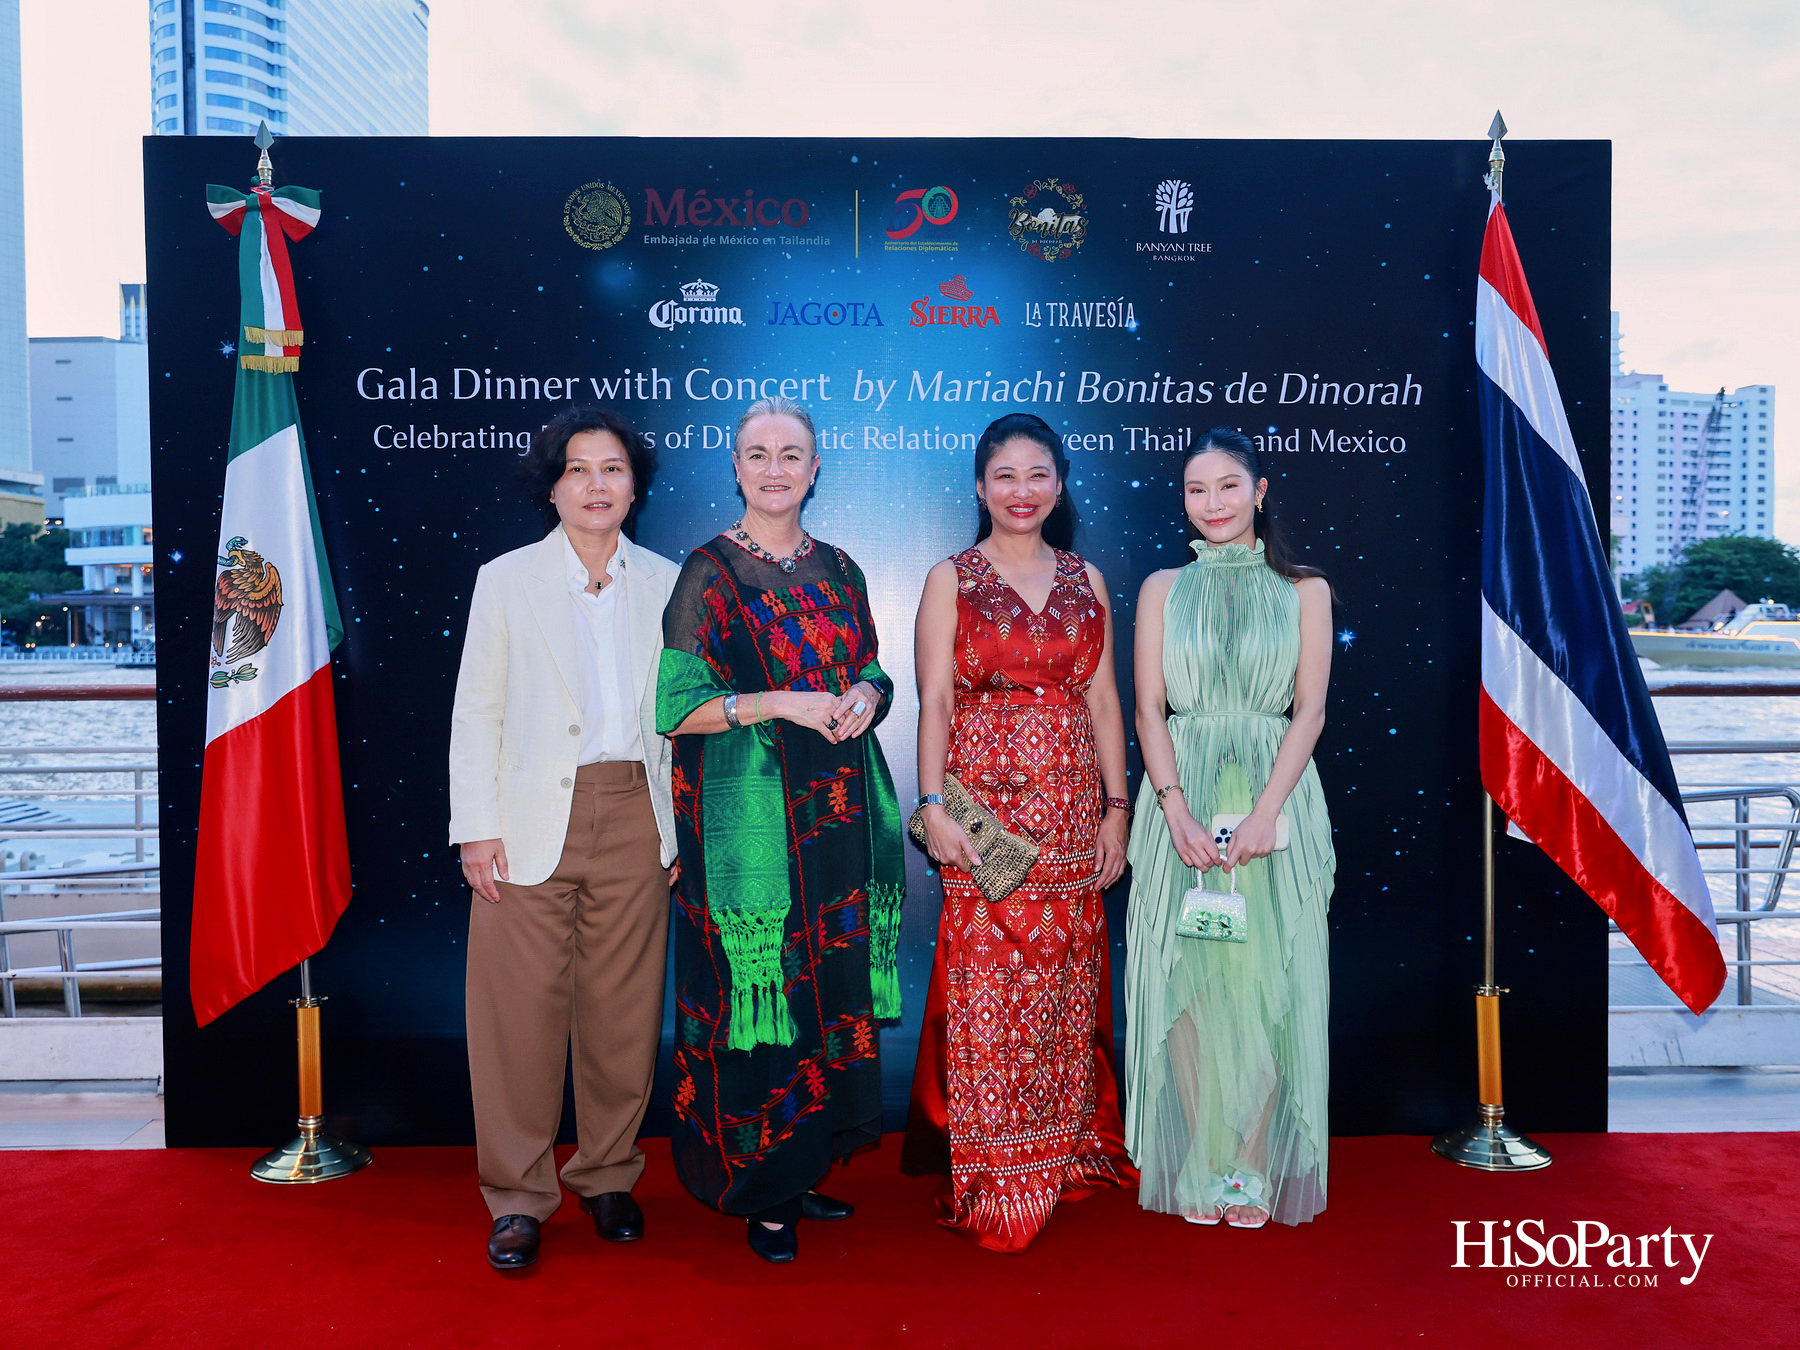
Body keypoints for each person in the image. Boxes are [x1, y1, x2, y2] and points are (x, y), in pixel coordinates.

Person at [656, 396, 905, 1264]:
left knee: (825, 995)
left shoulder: (841, 568)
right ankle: (761, 1191)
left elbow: (872, 668)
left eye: (791, 454)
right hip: (749, 835)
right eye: (757, 454)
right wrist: (781, 703)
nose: (774, 469)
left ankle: (804, 1168)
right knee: (759, 1008)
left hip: (835, 822)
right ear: (735, 467)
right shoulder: (708, 574)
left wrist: (867, 693)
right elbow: (675, 707)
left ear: (815, 467)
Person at [448, 406, 680, 1270]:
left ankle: (609, 1174)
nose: (595, 484)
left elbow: (682, 717)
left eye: (612, 468)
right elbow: (477, 710)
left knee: (624, 1012)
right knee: (517, 1018)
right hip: (526, 822)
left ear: (634, 486)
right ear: (552, 487)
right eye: (577, 469)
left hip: (636, 812)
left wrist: (676, 829)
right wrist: (475, 829)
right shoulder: (506, 579)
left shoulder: (669, 582)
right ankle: (517, 1196)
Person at [902, 411, 1138, 1253]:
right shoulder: (951, 578)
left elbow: (1103, 700)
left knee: (1064, 986)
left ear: (1060, 484)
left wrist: (1118, 809)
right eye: (1005, 475)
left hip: (1074, 811)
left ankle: (1064, 1148)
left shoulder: (1086, 578)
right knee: (989, 991)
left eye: (1038, 474)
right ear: (980, 486)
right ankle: (995, 1171)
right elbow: (935, 699)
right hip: (983, 816)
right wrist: (933, 805)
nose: (1022, 490)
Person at [1124, 427, 1336, 1229]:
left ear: (1259, 490)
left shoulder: (1306, 590)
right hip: (1180, 801)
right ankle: (1202, 1159)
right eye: (1196, 489)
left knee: (1269, 982)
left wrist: (1267, 811)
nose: (1212, 503)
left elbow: (1309, 710)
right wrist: (1173, 806)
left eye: (1227, 486)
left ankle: (1248, 1162)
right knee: (1186, 980)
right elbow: (1148, 709)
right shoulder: (1160, 589)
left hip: (1275, 800)